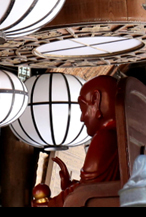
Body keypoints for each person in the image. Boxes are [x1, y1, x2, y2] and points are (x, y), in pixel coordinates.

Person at [32, 75, 120, 207]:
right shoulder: (120, 135)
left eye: (83, 109)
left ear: (96, 100)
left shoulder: (106, 137)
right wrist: (69, 185)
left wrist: (49, 204)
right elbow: (93, 187)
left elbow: (86, 193)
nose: (82, 118)